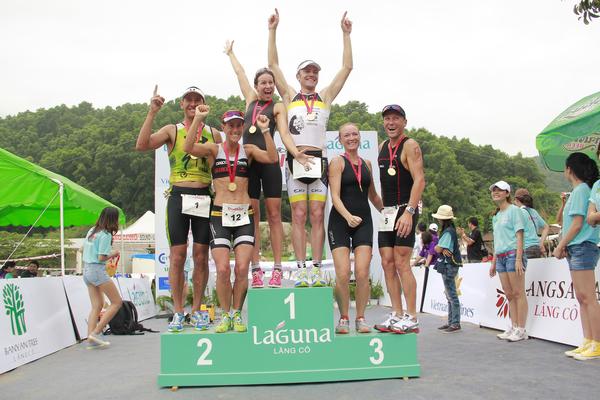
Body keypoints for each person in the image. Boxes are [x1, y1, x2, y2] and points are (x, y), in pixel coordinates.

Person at [267, 9, 353, 287]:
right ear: (299, 75)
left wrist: (346, 35)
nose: (312, 75)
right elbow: (272, 64)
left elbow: (346, 69)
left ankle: (316, 268)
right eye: (307, 71)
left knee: (317, 215)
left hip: (318, 159)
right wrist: (272, 30)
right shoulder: (289, 95)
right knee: (299, 215)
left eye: (315, 71)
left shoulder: (325, 97)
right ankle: (301, 268)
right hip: (295, 159)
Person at [224, 41, 312, 289]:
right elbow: (240, 73)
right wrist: (231, 54)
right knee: (252, 217)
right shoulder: (250, 99)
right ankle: (255, 270)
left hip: (269, 164)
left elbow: (284, 134)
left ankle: (276, 269)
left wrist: (295, 153)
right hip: (248, 163)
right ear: (256, 86)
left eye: (270, 83)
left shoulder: (278, 106)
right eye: (263, 82)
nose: (267, 86)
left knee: (274, 216)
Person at [184, 105, 278, 333]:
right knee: (224, 269)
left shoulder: (250, 149)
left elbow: (273, 158)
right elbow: (188, 147)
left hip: (244, 214)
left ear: (242, 127)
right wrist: (198, 118)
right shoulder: (214, 149)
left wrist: (266, 131)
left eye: (238, 125)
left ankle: (236, 313)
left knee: (242, 268)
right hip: (219, 216)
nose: (235, 129)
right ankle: (225, 314)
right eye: (231, 126)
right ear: (224, 127)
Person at [136, 85, 221, 332]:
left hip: (204, 195)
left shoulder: (215, 134)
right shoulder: (172, 130)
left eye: (198, 100)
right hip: (179, 195)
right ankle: (178, 311)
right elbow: (142, 145)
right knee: (177, 256)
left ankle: (197, 311)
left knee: (201, 257)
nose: (193, 103)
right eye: (189, 100)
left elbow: (221, 164)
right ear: (182, 104)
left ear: (204, 104)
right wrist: (151, 112)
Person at [327, 123, 383, 334]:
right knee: (343, 273)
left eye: (354, 134)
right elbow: (334, 196)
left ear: (359, 137)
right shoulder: (336, 162)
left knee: (362, 272)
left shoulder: (367, 164)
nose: (351, 138)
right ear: (340, 140)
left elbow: (374, 197)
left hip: (364, 223)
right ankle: (343, 317)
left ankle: (360, 317)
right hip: (341, 221)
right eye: (346, 135)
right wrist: (348, 216)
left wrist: (389, 214)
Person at [374, 104, 425, 334]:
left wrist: (410, 211)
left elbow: (420, 180)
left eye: (395, 118)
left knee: (402, 262)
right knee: (387, 263)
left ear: (404, 122)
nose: (390, 123)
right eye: (387, 119)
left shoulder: (410, 145)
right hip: (388, 212)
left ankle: (412, 316)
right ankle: (396, 313)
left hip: (405, 210)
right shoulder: (382, 146)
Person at [555, 152, 600, 360]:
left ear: (569, 169)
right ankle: (588, 340)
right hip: (575, 247)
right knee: (582, 297)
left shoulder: (582, 190)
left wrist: (560, 245)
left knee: (588, 297)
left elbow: (577, 224)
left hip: (582, 246)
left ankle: (596, 343)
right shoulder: (578, 191)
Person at [489, 180, 528, 342]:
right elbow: (497, 241)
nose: (496, 192)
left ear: (507, 193)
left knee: (518, 292)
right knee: (509, 294)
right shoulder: (496, 216)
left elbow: (520, 235)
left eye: (500, 190)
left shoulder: (514, 211)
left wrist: (519, 258)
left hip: (513, 254)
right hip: (501, 257)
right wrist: (493, 262)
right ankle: (513, 325)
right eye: (494, 190)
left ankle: (521, 329)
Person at [82, 207, 123, 349]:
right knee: (117, 302)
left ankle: (91, 339)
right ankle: (97, 332)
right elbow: (101, 257)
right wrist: (114, 253)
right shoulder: (106, 235)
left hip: (86, 270)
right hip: (97, 270)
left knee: (96, 306)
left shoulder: (92, 231)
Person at [432, 205, 462, 333]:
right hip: (450, 265)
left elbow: (437, 248)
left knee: (451, 295)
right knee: (450, 294)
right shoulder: (451, 231)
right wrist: (441, 248)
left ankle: (455, 322)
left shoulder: (448, 232)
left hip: (449, 265)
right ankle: (452, 321)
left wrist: (440, 248)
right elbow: (440, 248)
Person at [514, 188, 550, 259]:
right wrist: (541, 243)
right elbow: (546, 227)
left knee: (526, 270)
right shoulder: (534, 211)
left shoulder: (518, 212)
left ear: (517, 200)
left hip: (525, 248)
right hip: (537, 248)